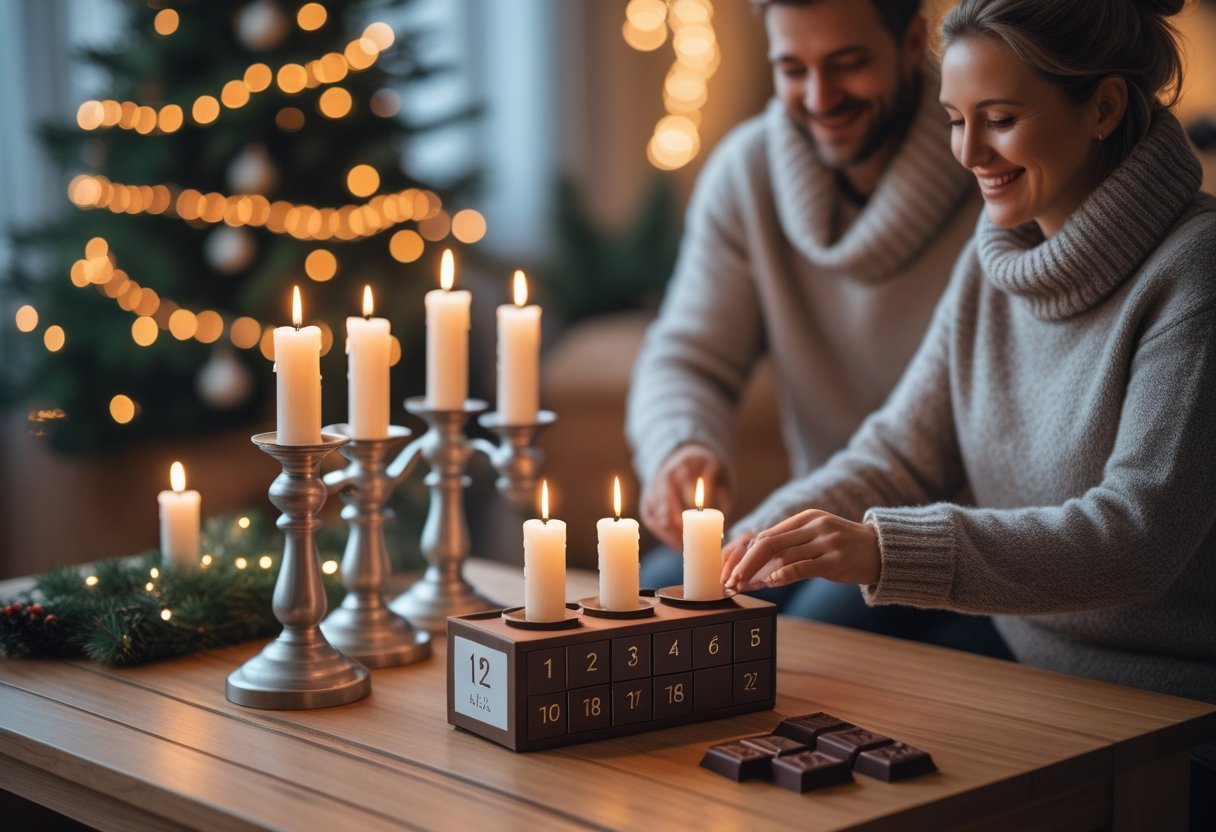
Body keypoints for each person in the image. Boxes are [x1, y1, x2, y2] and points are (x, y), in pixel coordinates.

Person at [721, 0, 1215, 823]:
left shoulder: (1195, 275)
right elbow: (898, 453)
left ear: (1102, 108)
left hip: (1164, 714)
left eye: (1001, 120)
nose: (970, 153)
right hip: (1019, 655)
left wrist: (882, 550)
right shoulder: (995, 264)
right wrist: (749, 546)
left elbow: (1138, 538)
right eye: (956, 120)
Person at [626, 0, 1002, 655]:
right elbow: (687, 356)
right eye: (791, 68)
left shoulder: (993, 172)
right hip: (821, 509)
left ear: (913, 41)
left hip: (964, 542)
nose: (820, 96)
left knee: (802, 637)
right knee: (654, 587)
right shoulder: (746, 173)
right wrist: (680, 445)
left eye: (847, 64)